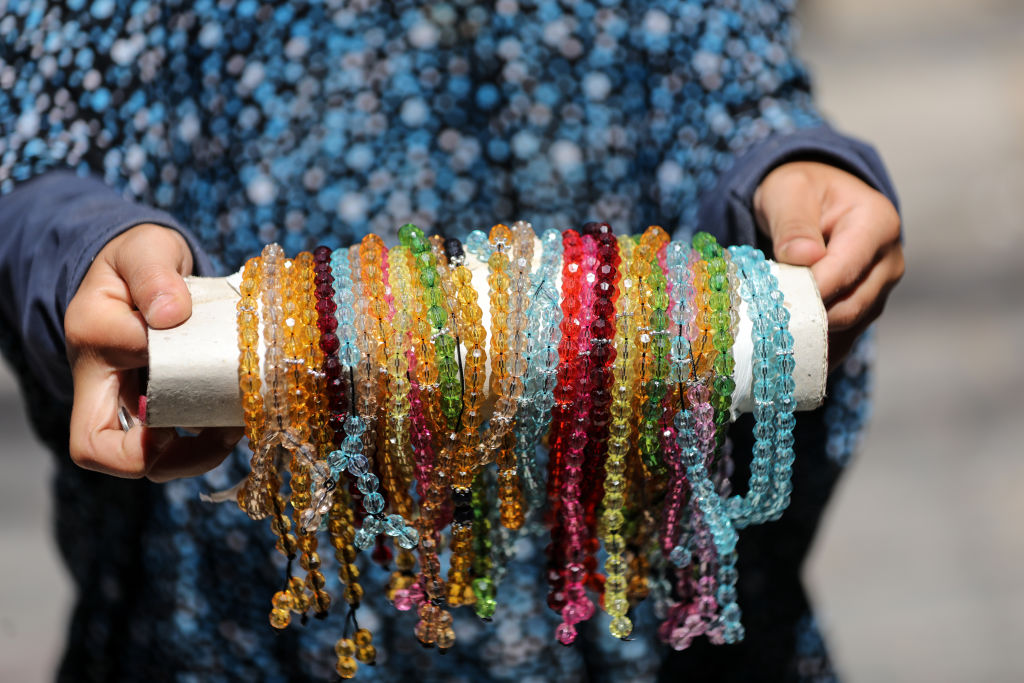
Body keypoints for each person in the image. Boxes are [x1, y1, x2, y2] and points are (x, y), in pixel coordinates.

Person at [0, 1, 903, 680]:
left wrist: (788, 172)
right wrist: (73, 249)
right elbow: (37, 141)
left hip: (652, 619)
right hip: (237, 620)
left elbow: (732, 93)